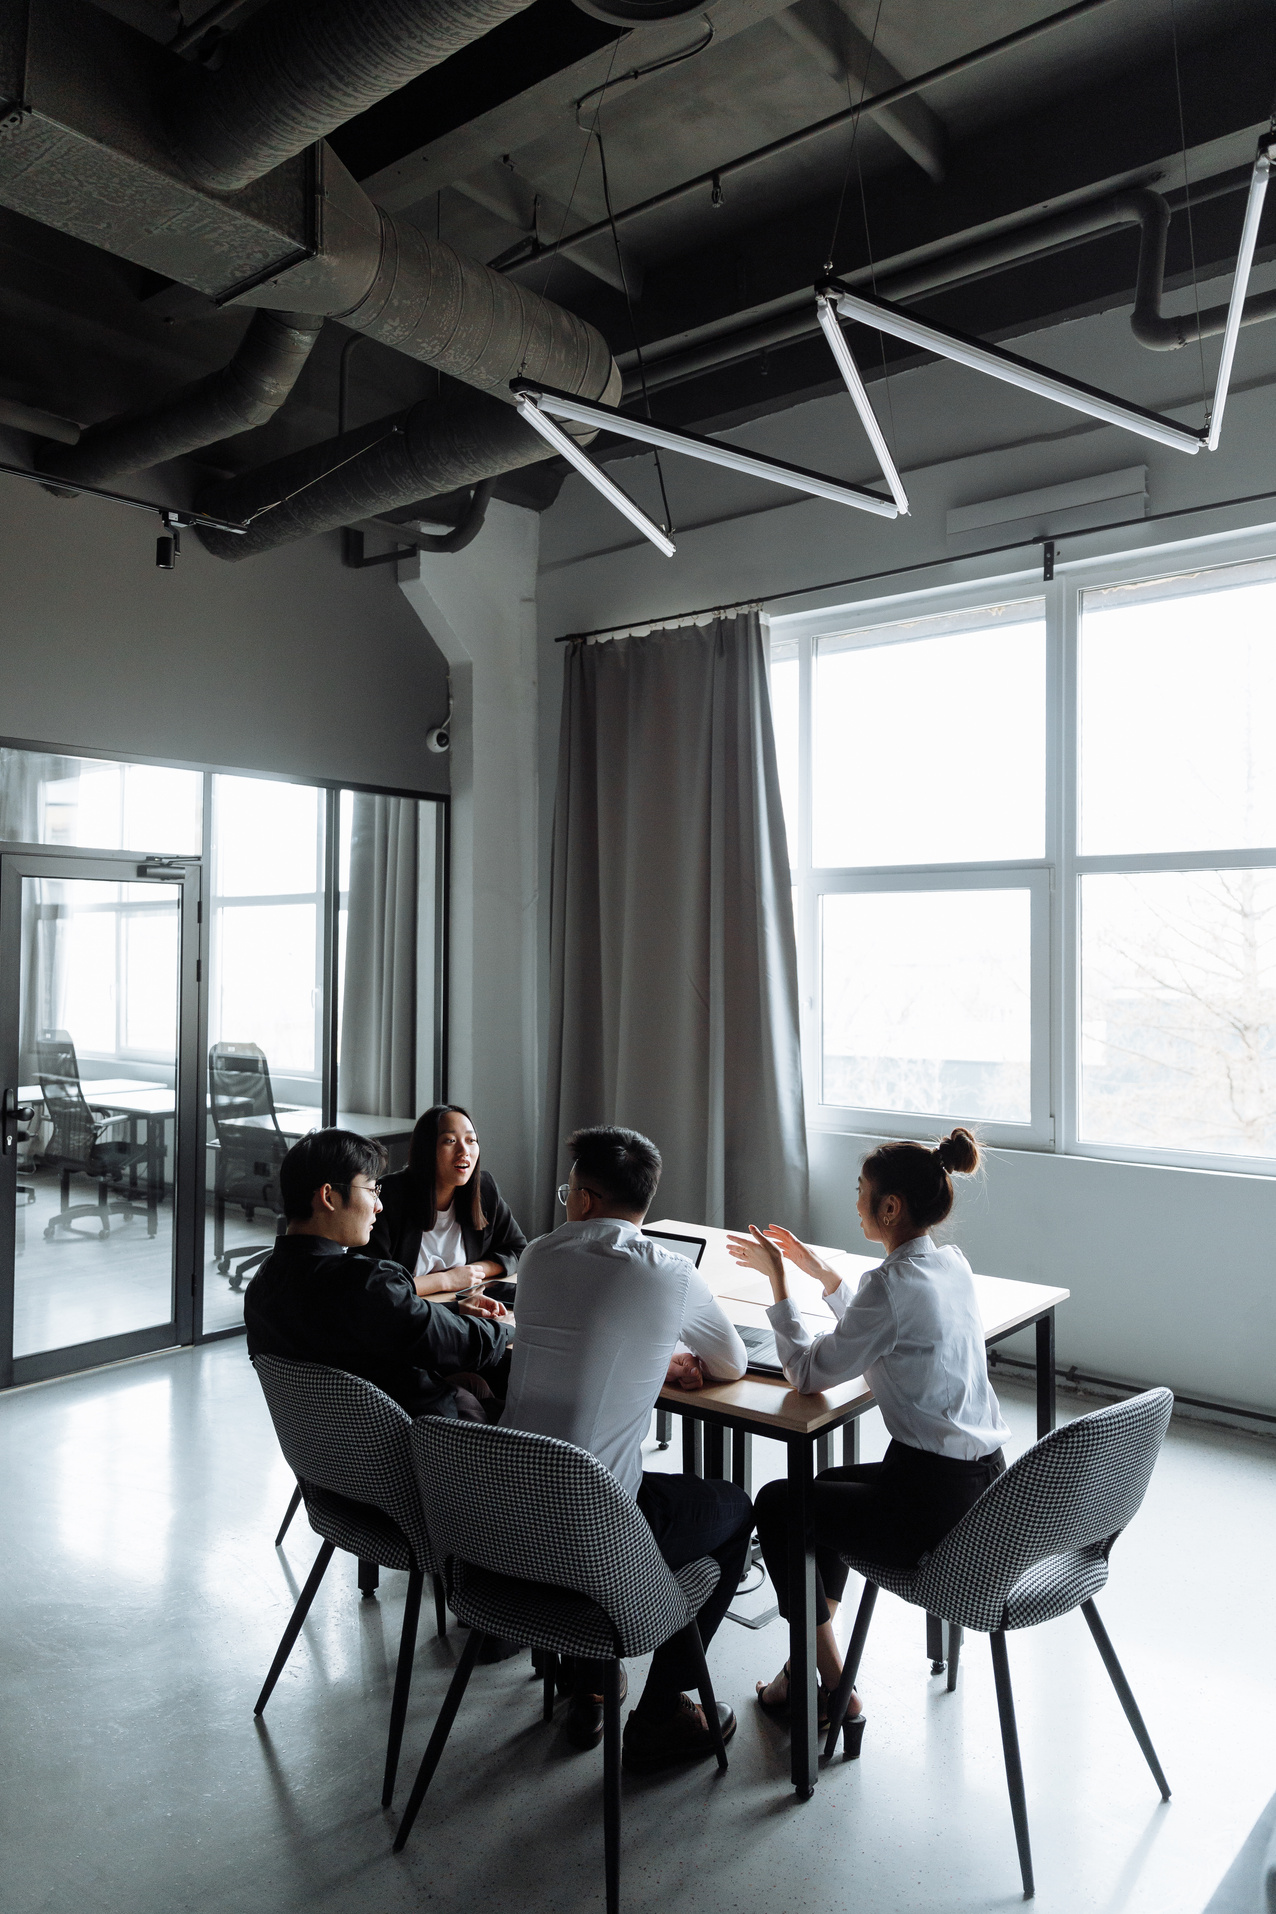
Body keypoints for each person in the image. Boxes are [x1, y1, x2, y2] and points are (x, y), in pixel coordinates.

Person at [726, 1129, 1009, 1744]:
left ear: (890, 1207)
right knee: (821, 1486)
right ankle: (813, 1665)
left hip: (932, 1506)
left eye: (862, 1194)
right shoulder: (948, 1264)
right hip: (982, 1483)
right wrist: (825, 1276)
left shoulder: (888, 1285)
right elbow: (887, 1325)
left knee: (778, 1505)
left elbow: (806, 1374)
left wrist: (780, 1286)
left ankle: (834, 1684)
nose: (855, 1204)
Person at [503, 1125, 754, 1773]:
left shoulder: (536, 1257)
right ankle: (663, 1708)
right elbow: (730, 1362)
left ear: (583, 1200)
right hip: (594, 1546)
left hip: (500, 1525)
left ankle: (590, 1681)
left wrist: (649, 1348)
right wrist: (667, 1350)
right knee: (732, 1511)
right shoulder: (669, 1273)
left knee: (589, 1481)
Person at [244, 1128, 510, 1421]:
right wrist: (513, 1329)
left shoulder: (262, 1286)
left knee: (474, 1385)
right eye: (372, 1190)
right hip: (420, 1444)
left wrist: (454, 1309)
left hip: (337, 1448)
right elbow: (459, 1345)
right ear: (329, 1196)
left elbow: (381, 1321)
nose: (379, 1205)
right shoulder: (367, 1284)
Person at [367, 1104, 526, 1306]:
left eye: (471, 1140)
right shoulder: (387, 1196)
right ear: (426, 1149)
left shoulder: (484, 1189)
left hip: (461, 1305)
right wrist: (446, 1280)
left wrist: (474, 1272)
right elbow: (374, 1286)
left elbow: (518, 1250)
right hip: (406, 1313)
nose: (464, 1151)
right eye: (450, 1141)